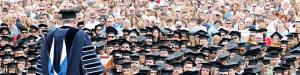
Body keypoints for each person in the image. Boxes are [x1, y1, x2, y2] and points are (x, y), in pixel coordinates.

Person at [37, 9, 104, 75]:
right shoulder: (81, 35)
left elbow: (43, 58)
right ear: (75, 21)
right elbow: (90, 62)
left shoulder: (50, 35)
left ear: (61, 22)